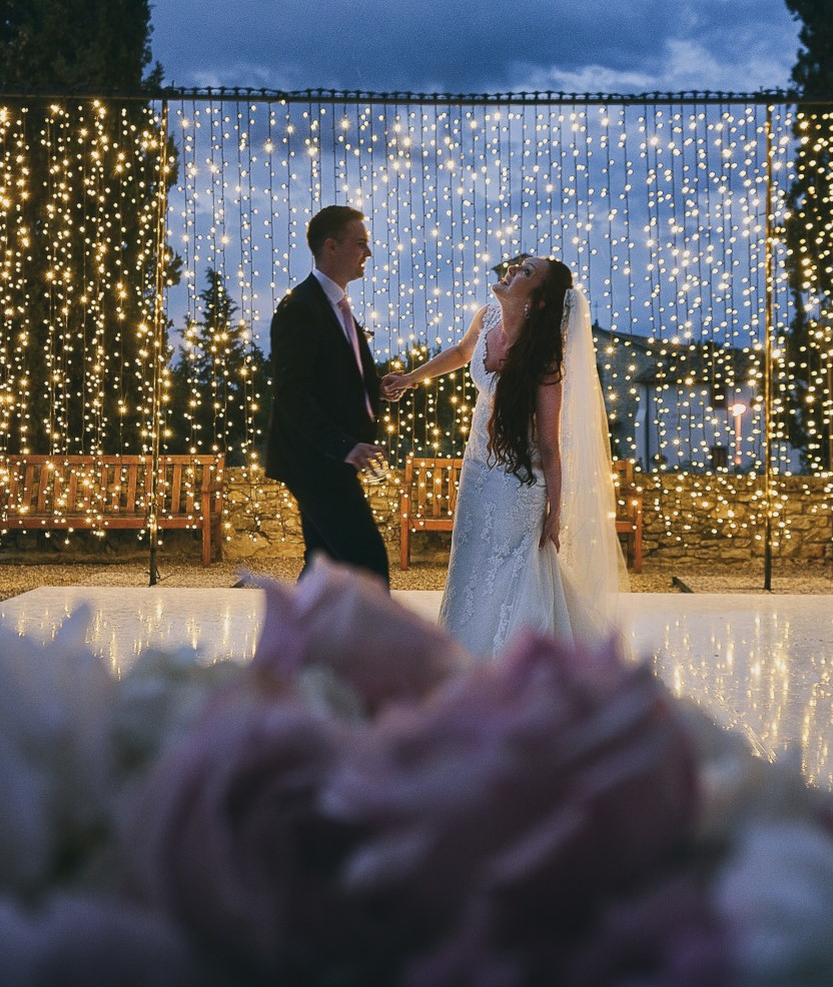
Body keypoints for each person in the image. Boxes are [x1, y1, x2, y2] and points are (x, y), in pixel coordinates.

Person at [382, 257, 628, 657]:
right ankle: (460, 654)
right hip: (478, 469)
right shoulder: (485, 318)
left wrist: (555, 510)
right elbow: (462, 352)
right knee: (470, 565)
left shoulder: (544, 362)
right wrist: (410, 379)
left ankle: (516, 662)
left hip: (521, 482)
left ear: (538, 302)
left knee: (512, 573)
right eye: (517, 267)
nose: (512, 271)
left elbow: (549, 443)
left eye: (526, 273)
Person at [266, 205, 390, 585]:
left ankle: (292, 641)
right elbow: (292, 395)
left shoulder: (336, 306)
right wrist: (344, 446)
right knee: (368, 564)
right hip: (315, 461)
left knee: (324, 568)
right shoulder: (301, 309)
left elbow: (333, 377)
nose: (368, 252)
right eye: (360, 243)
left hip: (328, 460)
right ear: (331, 246)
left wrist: (377, 388)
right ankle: (376, 646)